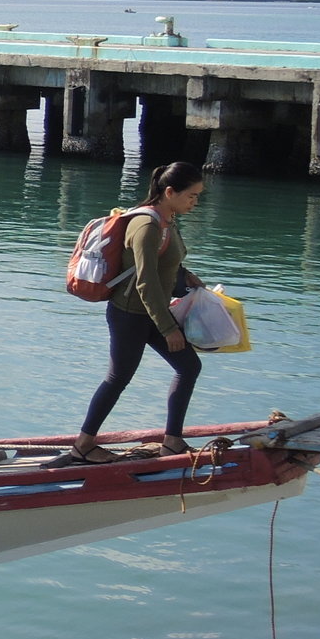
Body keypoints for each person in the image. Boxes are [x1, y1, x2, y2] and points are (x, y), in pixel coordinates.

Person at [73, 161, 208, 462]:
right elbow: (145, 282)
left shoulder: (167, 219)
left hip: (152, 311)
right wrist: (168, 328)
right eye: (192, 196)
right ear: (170, 192)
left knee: (189, 367)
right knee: (118, 378)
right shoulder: (147, 224)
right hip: (131, 315)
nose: (195, 202)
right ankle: (83, 445)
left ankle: (172, 440)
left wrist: (185, 275)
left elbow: (165, 262)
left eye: (198, 196)